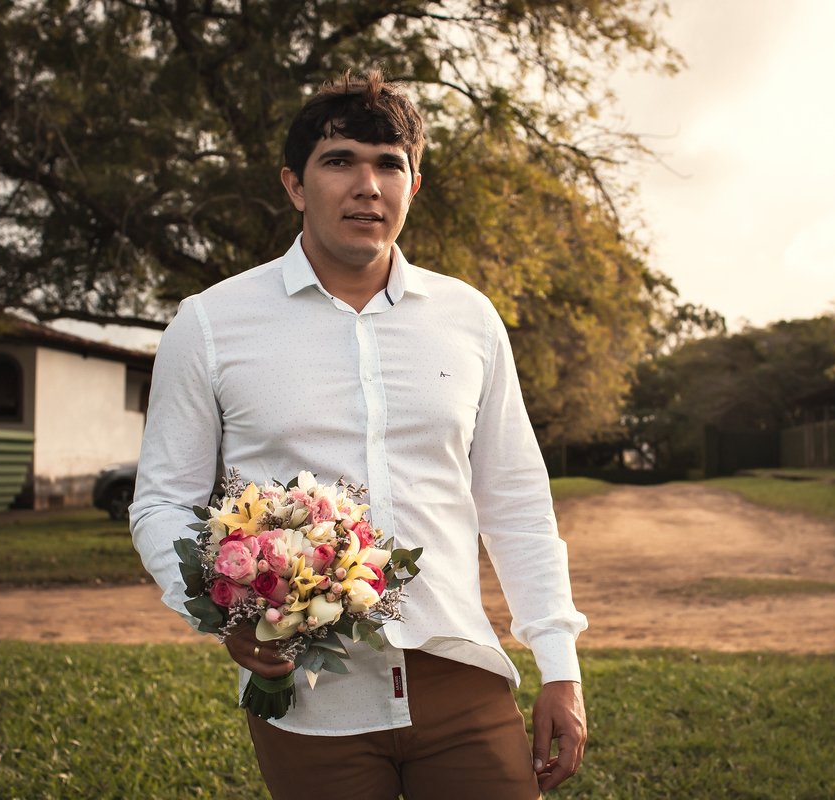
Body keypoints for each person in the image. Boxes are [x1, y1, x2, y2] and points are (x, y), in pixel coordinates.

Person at [130, 71, 587, 799]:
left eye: (389, 163)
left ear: (413, 183)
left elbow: (516, 502)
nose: (367, 184)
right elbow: (161, 501)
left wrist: (560, 664)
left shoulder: (468, 318)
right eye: (339, 160)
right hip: (308, 698)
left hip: (460, 677)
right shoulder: (209, 324)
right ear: (293, 184)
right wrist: (218, 614)